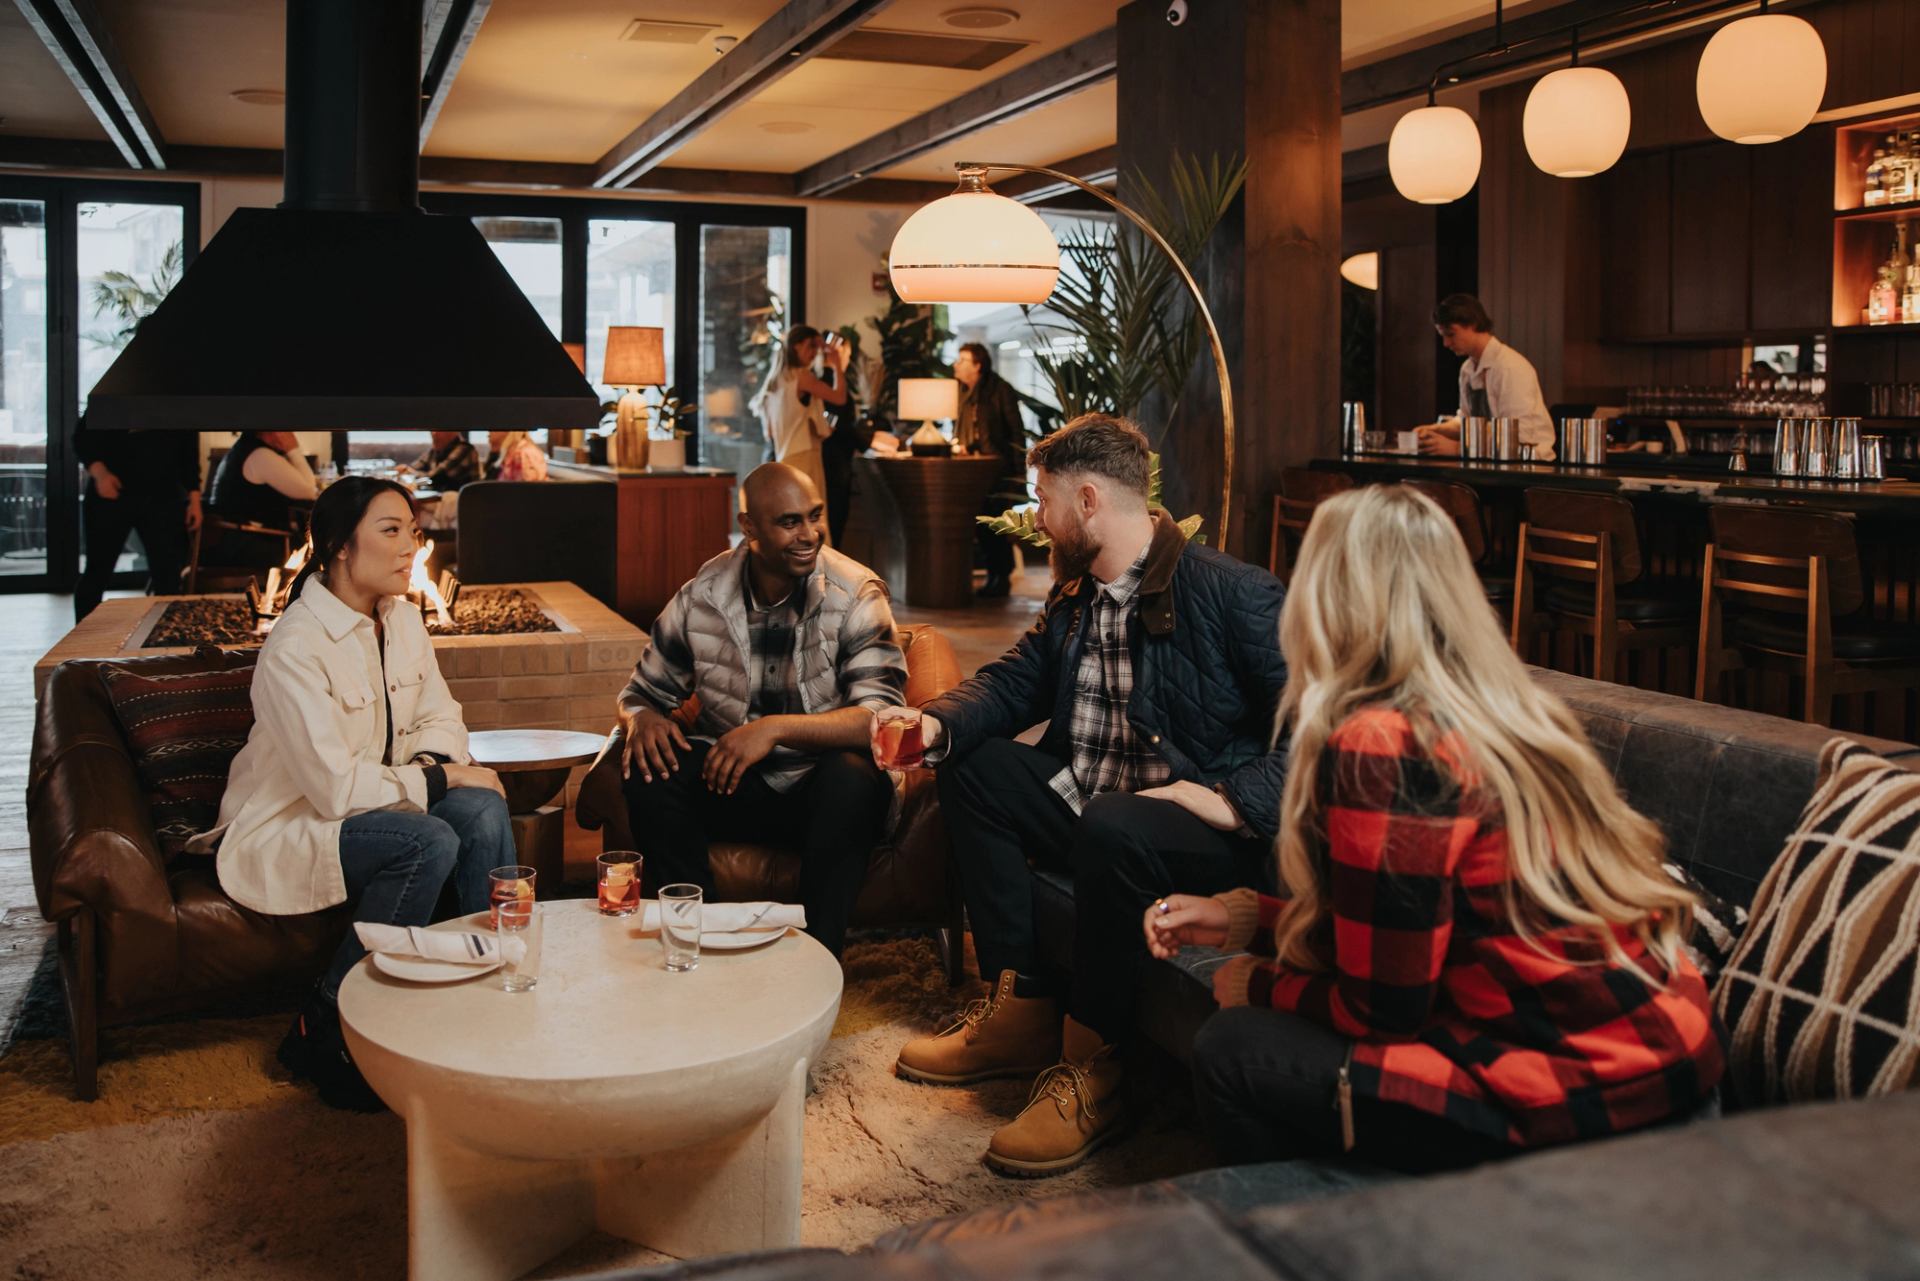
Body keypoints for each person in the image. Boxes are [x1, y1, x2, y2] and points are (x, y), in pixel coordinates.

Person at [1150, 484, 1724, 1173]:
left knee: (1235, 1046)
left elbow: (1382, 1010)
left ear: (1331, 603)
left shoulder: (1384, 746)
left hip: (1584, 1080)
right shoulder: (1504, 711)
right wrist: (1251, 916)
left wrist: (1259, 982)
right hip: (1676, 1043)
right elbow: (1423, 932)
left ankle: (1313, 1241)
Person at [882, 414, 1290, 1177]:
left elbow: (1320, 725)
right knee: (973, 767)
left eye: (1044, 500)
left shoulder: (1233, 593)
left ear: (1089, 499)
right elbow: (1017, 679)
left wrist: (1233, 798)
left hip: (1184, 834)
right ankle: (1021, 1006)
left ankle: (1098, 1068)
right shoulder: (1078, 592)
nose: (1038, 519)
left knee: (1114, 824)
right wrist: (931, 726)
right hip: (1095, 808)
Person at [189, 476, 515, 1110]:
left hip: (383, 799)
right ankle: (324, 1025)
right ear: (339, 544)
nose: (409, 550)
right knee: (430, 838)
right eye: (390, 532)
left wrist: (431, 762)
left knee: (482, 807)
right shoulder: (295, 647)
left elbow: (442, 716)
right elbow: (334, 789)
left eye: (412, 534)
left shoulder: (401, 618)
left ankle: (485, 992)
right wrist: (441, 777)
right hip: (295, 820)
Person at [616, 462, 905, 957]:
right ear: (749, 527)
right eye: (789, 521)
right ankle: (688, 939)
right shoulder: (703, 596)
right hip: (732, 785)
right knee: (649, 769)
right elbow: (644, 691)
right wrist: (640, 717)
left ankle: (817, 957)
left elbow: (883, 719)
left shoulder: (856, 593)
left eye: (814, 516)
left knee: (853, 776)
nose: (809, 534)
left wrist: (772, 730)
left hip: (820, 795)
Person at [72, 417, 201, 622]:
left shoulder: (175, 401)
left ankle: (167, 634)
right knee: (98, 571)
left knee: (167, 572)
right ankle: (81, 639)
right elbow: (82, 438)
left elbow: (188, 452)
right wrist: (100, 473)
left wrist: (195, 499)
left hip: (162, 496)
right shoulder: (116, 395)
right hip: (112, 492)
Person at [1415, 294, 1555, 460]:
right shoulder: (1467, 369)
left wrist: (1458, 448)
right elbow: (1467, 422)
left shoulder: (1509, 367)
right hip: (1491, 463)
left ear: (1472, 324)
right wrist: (1434, 429)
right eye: (1442, 336)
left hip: (1528, 466)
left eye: (1451, 334)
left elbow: (1518, 434)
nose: (1445, 343)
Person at [750, 326, 847, 519]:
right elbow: (839, 398)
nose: (815, 353)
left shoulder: (775, 381)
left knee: (791, 519)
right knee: (812, 519)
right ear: (796, 346)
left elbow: (769, 432)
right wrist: (836, 365)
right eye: (811, 346)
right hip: (804, 457)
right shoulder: (801, 377)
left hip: (784, 457)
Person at [954, 342, 1027, 599]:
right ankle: (993, 577)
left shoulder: (1000, 390)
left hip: (998, 470)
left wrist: (1019, 475)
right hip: (977, 471)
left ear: (978, 365)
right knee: (983, 527)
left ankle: (1001, 577)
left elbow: (1016, 432)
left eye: (963, 360)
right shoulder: (965, 393)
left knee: (996, 525)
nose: (956, 364)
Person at [401, 431, 481, 491]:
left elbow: (436, 476)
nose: (434, 433)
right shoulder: (435, 450)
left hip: (461, 501)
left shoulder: (464, 449)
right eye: (432, 430)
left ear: (453, 432)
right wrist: (406, 469)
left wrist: (410, 472)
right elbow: (417, 466)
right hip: (437, 497)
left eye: (438, 429)